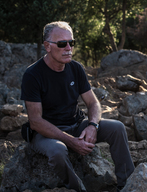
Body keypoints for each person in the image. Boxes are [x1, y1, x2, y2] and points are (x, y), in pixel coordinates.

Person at [20, 21, 134, 192]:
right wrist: (71, 142)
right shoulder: (32, 75)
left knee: (117, 128)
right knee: (58, 151)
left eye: (71, 43)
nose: (68, 48)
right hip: (46, 134)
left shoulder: (75, 68)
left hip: (75, 124)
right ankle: (78, 189)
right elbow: (35, 121)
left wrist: (93, 126)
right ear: (47, 46)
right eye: (62, 43)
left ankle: (128, 185)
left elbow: (93, 102)